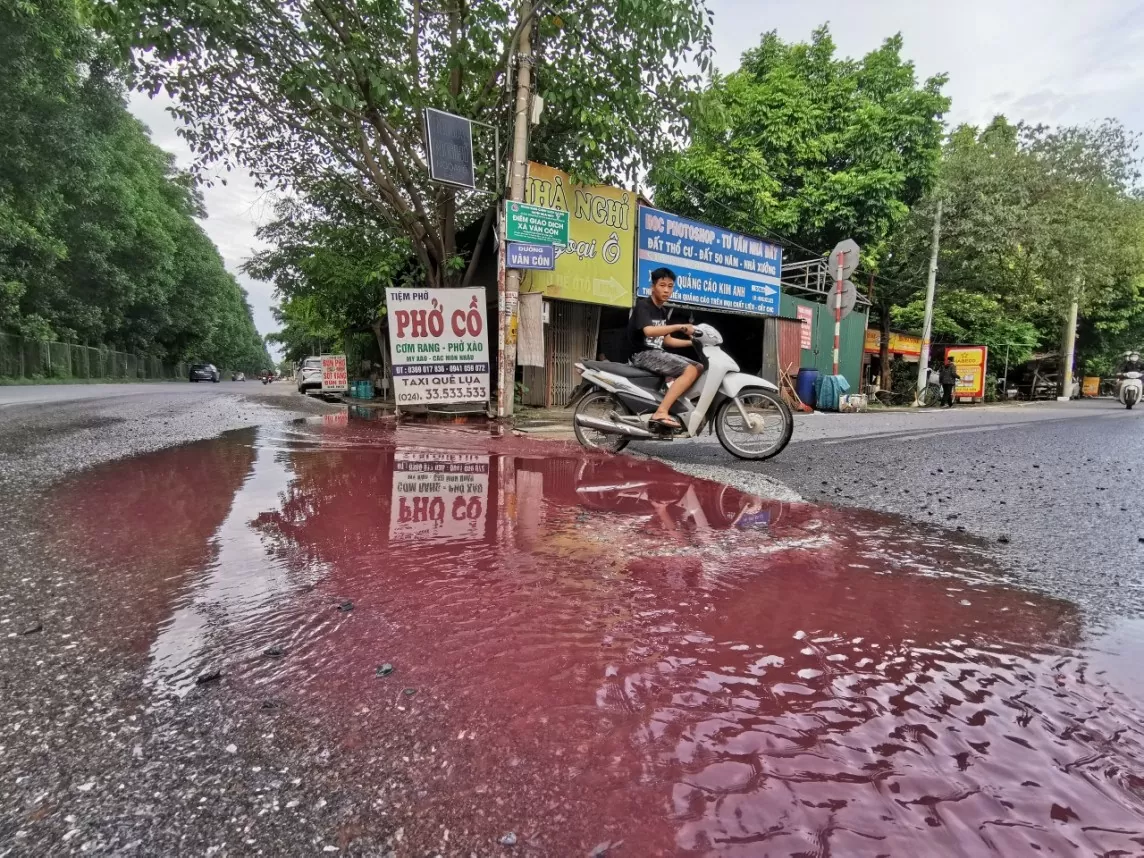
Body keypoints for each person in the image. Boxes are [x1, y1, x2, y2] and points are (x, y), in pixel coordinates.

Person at [627, 267, 702, 430]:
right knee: (689, 370)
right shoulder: (643, 306)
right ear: (652, 287)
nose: (666, 290)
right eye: (662, 285)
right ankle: (661, 411)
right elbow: (649, 331)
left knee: (699, 367)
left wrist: (693, 343)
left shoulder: (662, 311)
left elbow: (667, 341)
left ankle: (677, 406)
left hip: (656, 353)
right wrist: (680, 326)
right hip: (641, 354)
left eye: (670, 286)